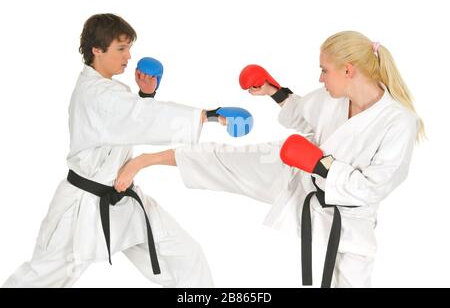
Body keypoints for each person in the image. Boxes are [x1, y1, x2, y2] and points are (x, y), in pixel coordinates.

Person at [113, 31, 425, 287]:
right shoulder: (337, 96)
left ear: (349, 70)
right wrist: (272, 90)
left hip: (348, 218)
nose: (320, 78)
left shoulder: (398, 122)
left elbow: (373, 187)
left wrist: (320, 164)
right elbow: (303, 112)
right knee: (222, 159)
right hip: (295, 175)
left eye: (324, 70)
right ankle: (146, 160)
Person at [1, 13, 248, 288]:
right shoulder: (97, 94)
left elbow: (130, 121)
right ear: (96, 49)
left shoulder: (110, 89)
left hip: (122, 197)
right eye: (121, 48)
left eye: (129, 48)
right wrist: (211, 115)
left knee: (186, 258)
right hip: (82, 207)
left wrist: (145, 95)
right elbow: (139, 117)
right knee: (42, 278)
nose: (128, 56)